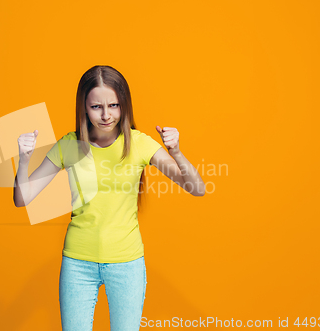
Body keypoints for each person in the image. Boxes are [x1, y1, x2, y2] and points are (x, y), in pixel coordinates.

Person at [13, 65, 206, 330]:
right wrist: (23, 161)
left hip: (127, 263)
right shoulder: (69, 145)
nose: (106, 115)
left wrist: (178, 153)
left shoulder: (139, 143)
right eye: (96, 107)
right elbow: (23, 198)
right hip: (78, 262)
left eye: (114, 105)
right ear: (83, 107)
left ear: (124, 105)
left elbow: (197, 188)